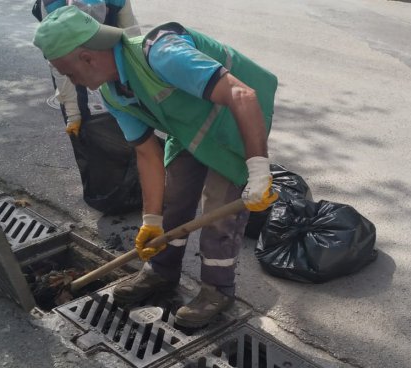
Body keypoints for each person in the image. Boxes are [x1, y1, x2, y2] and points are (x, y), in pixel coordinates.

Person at [33, 6, 278, 328]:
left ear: (87, 58)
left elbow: (242, 94)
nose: (70, 81)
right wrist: (151, 220)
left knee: (219, 214)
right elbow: (147, 154)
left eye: (69, 73)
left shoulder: (162, 53)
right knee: (174, 200)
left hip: (235, 123)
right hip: (188, 127)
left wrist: (259, 169)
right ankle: (161, 272)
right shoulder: (112, 94)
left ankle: (217, 291)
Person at [33, 0, 138, 136]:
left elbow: (131, 38)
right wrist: (73, 114)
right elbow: (61, 71)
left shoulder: (118, 2)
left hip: (107, 32)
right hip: (63, 35)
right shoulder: (52, 8)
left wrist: (138, 87)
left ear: (105, 9)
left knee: (127, 96)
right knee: (79, 117)